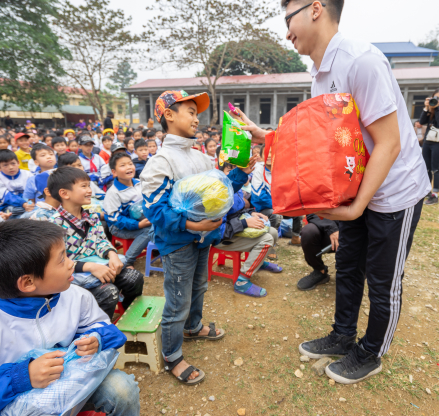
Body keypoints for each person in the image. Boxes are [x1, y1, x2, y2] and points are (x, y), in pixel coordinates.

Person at [238, 0, 430, 385]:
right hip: (355, 189)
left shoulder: (361, 60)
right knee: (348, 264)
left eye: (287, 18)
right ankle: (343, 335)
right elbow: (322, 141)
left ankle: (371, 351)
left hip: (393, 192)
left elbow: (390, 143)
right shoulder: (318, 72)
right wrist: (267, 137)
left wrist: (359, 205)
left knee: (383, 279)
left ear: (315, 10)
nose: (286, 32)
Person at [0, 219, 141, 416]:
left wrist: (96, 338)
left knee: (121, 389)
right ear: (28, 283)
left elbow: (105, 328)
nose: (72, 263)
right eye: (62, 259)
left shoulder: (75, 296)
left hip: (72, 391)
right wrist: (18, 378)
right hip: (21, 407)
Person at [140, 90, 251, 385]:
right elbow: (156, 211)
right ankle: (173, 355)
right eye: (190, 111)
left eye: (196, 112)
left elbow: (220, 190)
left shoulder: (200, 157)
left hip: (203, 240)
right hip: (178, 244)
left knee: (199, 286)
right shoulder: (161, 162)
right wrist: (193, 225)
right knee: (177, 299)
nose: (196, 117)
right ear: (169, 115)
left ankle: (193, 326)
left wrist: (241, 173)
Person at [46, 167, 144, 319]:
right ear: (64, 193)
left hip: (100, 268)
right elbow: (58, 261)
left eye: (89, 185)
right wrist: (90, 267)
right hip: (74, 277)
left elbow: (101, 241)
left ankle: (130, 319)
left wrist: (112, 254)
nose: (89, 190)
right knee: (108, 292)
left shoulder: (91, 216)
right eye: (83, 186)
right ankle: (96, 331)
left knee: (134, 277)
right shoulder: (53, 225)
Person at [214, 163, 282, 297]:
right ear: (220, 172)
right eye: (230, 170)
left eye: (237, 169)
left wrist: (251, 213)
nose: (236, 173)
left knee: (272, 232)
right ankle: (242, 282)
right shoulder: (218, 193)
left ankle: (258, 262)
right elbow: (220, 229)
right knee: (267, 239)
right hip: (222, 238)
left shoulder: (234, 187)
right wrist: (245, 223)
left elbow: (239, 209)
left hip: (234, 231)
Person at [103, 153, 153, 266]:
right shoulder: (114, 192)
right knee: (149, 231)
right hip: (118, 227)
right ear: (114, 172)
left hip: (141, 220)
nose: (129, 167)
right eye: (123, 165)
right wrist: (138, 225)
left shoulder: (139, 183)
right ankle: (127, 260)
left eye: (130, 164)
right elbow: (114, 218)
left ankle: (155, 249)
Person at [296, 213, 340, 290]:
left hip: (352, 229)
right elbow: (312, 212)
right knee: (308, 232)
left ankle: (350, 273)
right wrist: (332, 229)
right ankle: (320, 271)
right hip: (327, 228)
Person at [0, 150, 34, 217]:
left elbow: (33, 193)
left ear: (18, 163)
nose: (10, 167)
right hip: (7, 206)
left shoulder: (28, 174)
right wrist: (23, 204)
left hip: (27, 204)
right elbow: (7, 197)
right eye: (5, 165)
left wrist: (29, 204)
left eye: (13, 163)